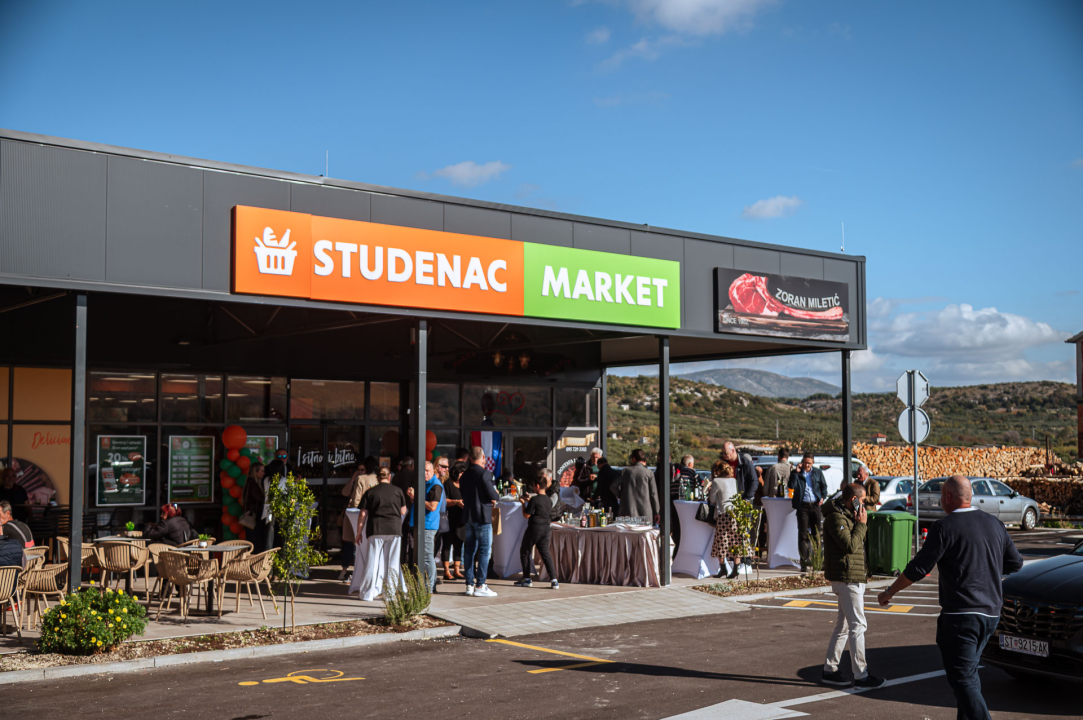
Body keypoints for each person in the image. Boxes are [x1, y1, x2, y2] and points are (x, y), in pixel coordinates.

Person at [878, 476, 1023, 720]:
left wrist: (890, 591)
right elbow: (1015, 563)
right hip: (990, 614)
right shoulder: (994, 523)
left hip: (961, 616)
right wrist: (988, 570)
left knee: (963, 680)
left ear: (947, 497)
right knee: (969, 676)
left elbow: (919, 568)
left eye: (941, 495)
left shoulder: (944, 527)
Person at [820, 483, 886, 688]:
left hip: (852, 576)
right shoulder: (836, 517)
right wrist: (862, 524)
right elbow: (849, 545)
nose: (864, 504)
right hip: (847, 577)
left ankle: (830, 669)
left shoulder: (847, 515)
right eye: (863, 500)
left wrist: (859, 522)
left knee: (844, 625)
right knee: (858, 625)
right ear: (852, 499)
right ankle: (861, 675)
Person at [354, 467, 408, 602]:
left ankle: (367, 594)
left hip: (376, 529)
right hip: (394, 529)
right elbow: (403, 511)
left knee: (372, 561)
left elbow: (362, 514)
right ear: (389, 477)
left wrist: (359, 533)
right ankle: (390, 594)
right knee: (392, 562)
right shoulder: (398, 491)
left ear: (377, 478)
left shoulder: (370, 492)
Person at [459, 446, 500, 598]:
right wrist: (495, 495)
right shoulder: (485, 474)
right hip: (482, 517)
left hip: (468, 515)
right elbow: (493, 494)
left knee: (469, 550)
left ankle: (469, 584)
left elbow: (464, 493)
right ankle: (480, 585)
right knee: (484, 550)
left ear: (470, 457)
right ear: (483, 457)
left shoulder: (464, 476)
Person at [515, 473, 559, 589]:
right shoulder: (548, 500)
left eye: (534, 486)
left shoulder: (534, 499)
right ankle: (554, 580)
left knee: (525, 551)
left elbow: (526, 515)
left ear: (537, 486)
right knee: (545, 554)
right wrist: (531, 501)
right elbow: (540, 506)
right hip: (546, 529)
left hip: (534, 528)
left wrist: (523, 504)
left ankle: (526, 578)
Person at [339, 456, 378, 581]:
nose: (361, 471)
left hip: (357, 515)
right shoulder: (377, 479)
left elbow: (356, 500)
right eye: (359, 469)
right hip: (372, 516)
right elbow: (345, 492)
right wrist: (353, 479)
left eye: (362, 469)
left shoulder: (361, 479)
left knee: (354, 543)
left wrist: (357, 477)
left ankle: (355, 573)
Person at [788, 452, 828, 571]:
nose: (807, 465)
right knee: (803, 534)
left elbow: (824, 487)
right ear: (802, 462)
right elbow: (791, 486)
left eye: (809, 463)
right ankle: (804, 562)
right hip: (803, 506)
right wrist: (796, 472)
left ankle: (817, 561)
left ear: (813, 463)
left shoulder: (817, 473)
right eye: (805, 463)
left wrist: (822, 497)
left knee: (816, 534)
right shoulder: (797, 473)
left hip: (815, 505)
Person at [413, 460, 445, 592]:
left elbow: (432, 506)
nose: (425, 473)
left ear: (433, 471)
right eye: (423, 470)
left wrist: (417, 497)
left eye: (427, 470)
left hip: (429, 525)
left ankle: (429, 587)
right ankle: (431, 585)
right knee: (425, 556)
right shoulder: (425, 483)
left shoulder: (435, 485)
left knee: (427, 557)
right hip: (423, 523)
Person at [708, 464, 743, 579]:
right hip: (736, 513)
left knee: (721, 541)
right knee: (736, 541)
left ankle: (723, 568)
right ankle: (736, 568)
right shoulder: (734, 480)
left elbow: (712, 499)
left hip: (723, 514)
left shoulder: (717, 481)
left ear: (718, 471)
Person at [613, 449, 660, 523]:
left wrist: (622, 495)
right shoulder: (649, 473)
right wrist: (657, 512)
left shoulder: (625, 471)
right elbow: (653, 494)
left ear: (634, 458)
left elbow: (613, 486)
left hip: (627, 511)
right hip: (645, 513)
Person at [439, 458, 466, 582]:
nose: (463, 475)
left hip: (461, 518)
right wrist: (456, 502)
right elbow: (445, 501)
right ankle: (446, 571)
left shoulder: (464, 484)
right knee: (447, 544)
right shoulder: (448, 484)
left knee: (459, 543)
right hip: (449, 518)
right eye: (461, 472)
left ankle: (456, 569)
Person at [242, 461, 269, 554]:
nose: (264, 473)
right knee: (256, 542)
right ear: (255, 471)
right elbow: (260, 499)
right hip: (255, 516)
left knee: (253, 541)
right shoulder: (253, 484)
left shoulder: (251, 482)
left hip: (253, 514)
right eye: (262, 471)